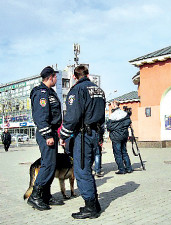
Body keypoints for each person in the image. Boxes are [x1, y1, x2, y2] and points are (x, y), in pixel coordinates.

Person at [60, 65, 106, 219]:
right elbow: (102, 118)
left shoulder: (78, 90)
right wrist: (100, 136)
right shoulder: (99, 90)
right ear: (88, 74)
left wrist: (63, 136)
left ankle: (91, 207)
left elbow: (72, 117)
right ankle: (94, 203)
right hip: (94, 134)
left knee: (81, 170)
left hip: (82, 135)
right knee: (88, 168)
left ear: (74, 76)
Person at [27, 66, 63, 211]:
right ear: (51, 77)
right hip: (46, 134)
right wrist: (48, 135)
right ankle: (35, 196)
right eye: (55, 77)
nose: (56, 80)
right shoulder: (41, 93)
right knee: (48, 164)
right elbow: (41, 117)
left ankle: (46, 195)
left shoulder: (50, 92)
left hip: (52, 133)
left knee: (51, 165)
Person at [106, 102, 133, 174]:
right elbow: (128, 122)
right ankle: (129, 168)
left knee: (117, 153)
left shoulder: (113, 115)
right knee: (124, 152)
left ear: (114, 105)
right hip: (124, 135)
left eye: (111, 105)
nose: (111, 106)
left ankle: (122, 169)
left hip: (116, 137)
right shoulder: (124, 113)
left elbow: (109, 127)